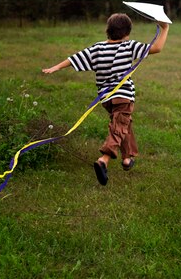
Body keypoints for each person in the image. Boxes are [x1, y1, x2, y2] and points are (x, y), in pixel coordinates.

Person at [42, 13, 169, 186]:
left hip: (106, 99)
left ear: (108, 31)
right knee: (118, 127)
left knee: (124, 124)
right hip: (123, 95)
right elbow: (157, 48)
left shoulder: (98, 48)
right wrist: (165, 28)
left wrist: (56, 67)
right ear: (127, 33)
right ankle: (104, 158)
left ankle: (127, 158)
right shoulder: (128, 46)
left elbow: (75, 58)